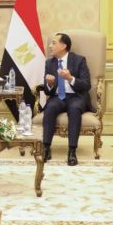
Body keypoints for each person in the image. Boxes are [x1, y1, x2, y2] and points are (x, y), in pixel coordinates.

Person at [41, 33, 93, 166]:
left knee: (75, 109)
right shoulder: (49, 63)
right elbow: (47, 91)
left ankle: (72, 151)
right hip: (58, 97)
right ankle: (46, 148)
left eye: (53, 43)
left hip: (76, 96)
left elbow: (87, 85)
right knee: (50, 108)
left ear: (63, 46)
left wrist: (70, 78)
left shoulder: (79, 60)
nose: (50, 46)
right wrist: (50, 84)